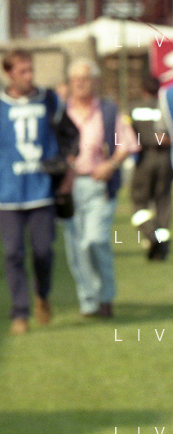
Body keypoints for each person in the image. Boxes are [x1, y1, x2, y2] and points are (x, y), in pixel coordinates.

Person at [0, 49, 79, 334]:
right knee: (13, 253)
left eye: (31, 70)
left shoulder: (49, 100)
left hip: (42, 189)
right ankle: (19, 312)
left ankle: (42, 295)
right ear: (8, 73)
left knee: (43, 251)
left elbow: (72, 137)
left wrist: (68, 171)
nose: (29, 76)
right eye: (23, 71)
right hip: (8, 191)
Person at [63, 59, 136, 318]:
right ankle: (89, 300)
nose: (80, 83)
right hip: (70, 186)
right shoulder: (62, 112)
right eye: (75, 79)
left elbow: (126, 143)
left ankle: (105, 295)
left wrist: (111, 164)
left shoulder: (107, 111)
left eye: (85, 78)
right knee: (77, 247)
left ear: (95, 81)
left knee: (95, 240)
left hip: (99, 186)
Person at [129, 74, 171, 260]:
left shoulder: (133, 108)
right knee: (163, 202)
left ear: (143, 90)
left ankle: (151, 235)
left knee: (139, 202)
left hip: (144, 157)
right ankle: (162, 246)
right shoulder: (164, 107)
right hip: (165, 158)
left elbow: (127, 135)